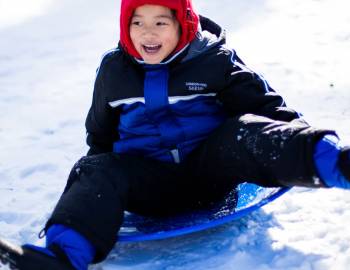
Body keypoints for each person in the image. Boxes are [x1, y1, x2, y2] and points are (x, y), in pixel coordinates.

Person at [1, 0, 350, 269]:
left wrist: (300, 142)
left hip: (213, 173)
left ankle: (340, 164)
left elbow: (270, 111)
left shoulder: (214, 61)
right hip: (149, 184)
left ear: (183, 24)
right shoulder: (114, 71)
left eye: (159, 23)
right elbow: (100, 135)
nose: (147, 33)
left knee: (241, 132)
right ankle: (63, 256)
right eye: (136, 23)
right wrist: (92, 196)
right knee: (94, 168)